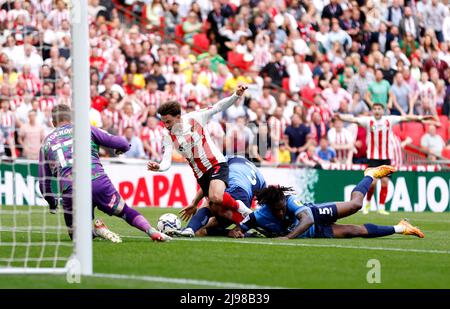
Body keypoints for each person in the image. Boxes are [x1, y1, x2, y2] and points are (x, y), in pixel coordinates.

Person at [39, 104, 171, 242]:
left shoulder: (46, 143)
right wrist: (122, 149)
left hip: (70, 188)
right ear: (71, 118)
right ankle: (152, 231)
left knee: (77, 236)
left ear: (53, 122)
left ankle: (95, 231)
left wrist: (52, 203)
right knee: (124, 210)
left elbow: (44, 183)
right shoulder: (85, 129)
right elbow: (121, 142)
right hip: (97, 180)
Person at [147, 85, 251, 228]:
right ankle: (246, 222)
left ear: (178, 117)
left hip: (216, 163)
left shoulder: (195, 117)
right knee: (216, 206)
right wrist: (159, 167)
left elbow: (218, 107)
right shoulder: (167, 136)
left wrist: (235, 95)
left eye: (168, 121)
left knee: (216, 197)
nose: (165, 125)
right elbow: (166, 160)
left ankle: (240, 207)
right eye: (163, 122)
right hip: (200, 174)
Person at [232, 165, 424, 239]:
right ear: (268, 207)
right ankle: (401, 228)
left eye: (282, 209)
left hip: (315, 214)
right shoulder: (258, 215)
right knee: (354, 231)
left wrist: (287, 238)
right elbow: (239, 228)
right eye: (277, 211)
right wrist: (236, 233)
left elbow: (306, 219)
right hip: (315, 233)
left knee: (356, 205)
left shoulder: (288, 200)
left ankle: (370, 174)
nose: (281, 213)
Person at [336, 103, 433, 215]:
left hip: (386, 157)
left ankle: (381, 207)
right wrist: (341, 117)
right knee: (372, 183)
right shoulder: (368, 121)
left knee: (385, 182)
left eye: (379, 109)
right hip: (373, 158)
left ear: (383, 110)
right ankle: (368, 203)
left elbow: (405, 117)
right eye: (375, 109)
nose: (377, 111)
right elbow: (354, 119)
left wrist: (419, 118)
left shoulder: (389, 120)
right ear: (372, 111)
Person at [178, 156, 266, 237]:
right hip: (244, 198)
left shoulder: (224, 161)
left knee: (212, 208)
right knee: (217, 213)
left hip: (234, 194)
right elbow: (263, 205)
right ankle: (242, 230)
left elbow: (211, 185)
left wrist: (195, 203)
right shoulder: (260, 178)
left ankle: (191, 228)